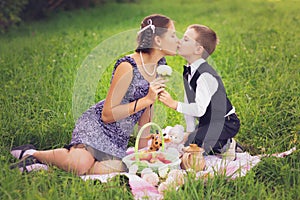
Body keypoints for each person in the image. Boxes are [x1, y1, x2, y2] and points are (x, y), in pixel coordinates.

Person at [10, 14, 179, 175]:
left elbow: (146, 111)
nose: (177, 40)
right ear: (158, 40)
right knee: (80, 164)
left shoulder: (158, 66)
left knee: (124, 166)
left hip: (119, 135)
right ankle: (33, 153)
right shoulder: (128, 66)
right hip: (98, 125)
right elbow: (107, 115)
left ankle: (50, 166)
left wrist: (144, 153)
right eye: (173, 35)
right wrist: (147, 99)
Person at [158, 24, 242, 160]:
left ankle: (227, 144)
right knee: (189, 142)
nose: (179, 41)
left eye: (185, 39)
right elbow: (188, 101)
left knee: (193, 149)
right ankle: (213, 143)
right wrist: (190, 131)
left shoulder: (205, 76)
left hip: (225, 123)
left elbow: (199, 110)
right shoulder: (189, 71)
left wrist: (174, 104)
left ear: (198, 49)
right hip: (207, 122)